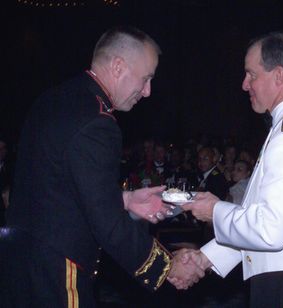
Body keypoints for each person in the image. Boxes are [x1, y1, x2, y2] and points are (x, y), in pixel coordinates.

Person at [0, 26, 203, 307]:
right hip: (59, 269)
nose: (147, 92)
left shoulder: (55, 99)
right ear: (118, 66)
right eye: (145, 79)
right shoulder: (98, 122)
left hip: (21, 263)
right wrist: (165, 266)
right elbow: (107, 224)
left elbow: (54, 189)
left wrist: (125, 199)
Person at [175, 32, 283, 307]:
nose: (245, 84)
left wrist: (215, 210)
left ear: (278, 75)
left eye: (251, 74)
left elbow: (270, 229)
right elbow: (259, 216)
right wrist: (206, 258)